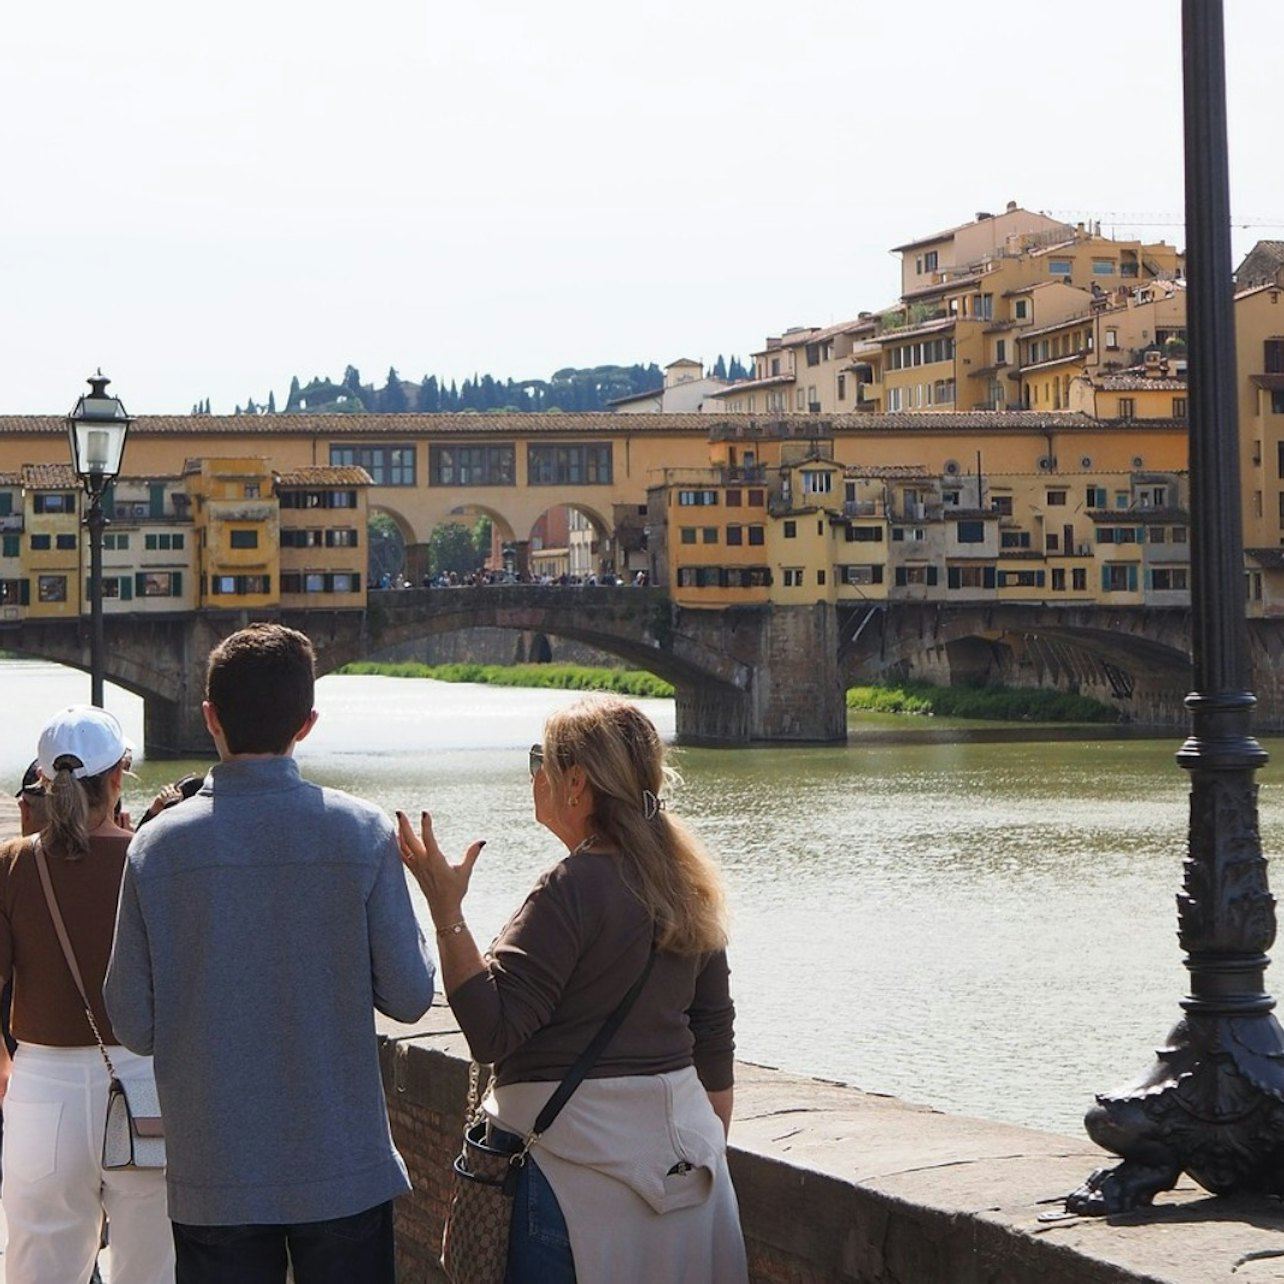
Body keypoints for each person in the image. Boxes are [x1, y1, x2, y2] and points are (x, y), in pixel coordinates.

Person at [105, 623, 436, 1284]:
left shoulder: (156, 848)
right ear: (307, 724)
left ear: (210, 719)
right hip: (342, 1168)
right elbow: (409, 995)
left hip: (214, 1173)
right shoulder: (364, 832)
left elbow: (134, 1024)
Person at [396, 695, 747, 1284]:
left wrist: (446, 910)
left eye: (542, 760)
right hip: (690, 1172)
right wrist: (690, 1143)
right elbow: (713, 1035)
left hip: (571, 1177)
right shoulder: (686, 882)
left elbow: (491, 1029)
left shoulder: (570, 888)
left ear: (577, 784)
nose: (535, 775)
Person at [0, 707, 174, 1284]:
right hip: (145, 1084)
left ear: (45, 784)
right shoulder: (152, 859)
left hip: (42, 1090)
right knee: (153, 1266)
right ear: (120, 775)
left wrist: (4, 1065)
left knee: (40, 1268)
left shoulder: (13, 865)